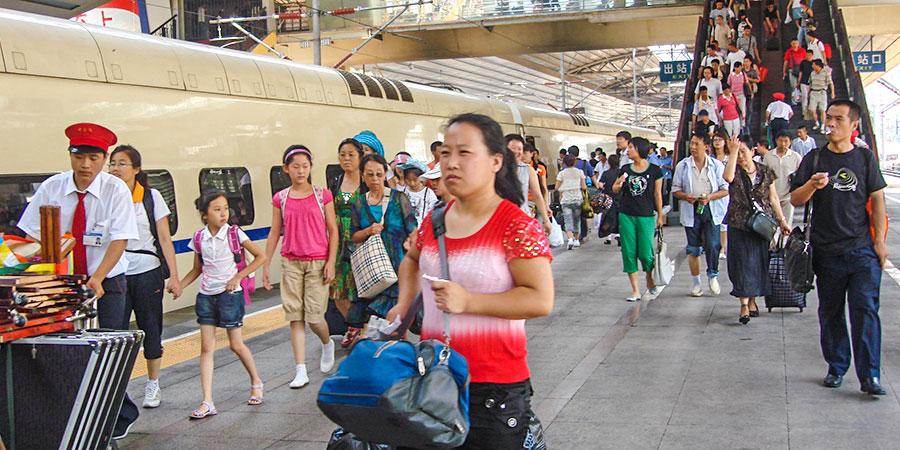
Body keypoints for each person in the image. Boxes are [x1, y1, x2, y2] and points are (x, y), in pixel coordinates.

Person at [387, 113, 553, 449]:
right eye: (445, 153)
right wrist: (403, 306)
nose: (451, 163)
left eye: (464, 153)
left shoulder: (516, 225)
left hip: (493, 390)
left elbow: (540, 300)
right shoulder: (435, 222)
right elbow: (411, 261)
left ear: (495, 161)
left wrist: (470, 301)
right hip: (434, 380)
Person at [18, 123, 139, 439]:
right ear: (70, 156)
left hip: (107, 280)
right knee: (65, 351)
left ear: (104, 159)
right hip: (63, 282)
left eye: (94, 158)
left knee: (110, 346)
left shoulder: (115, 190)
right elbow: (31, 234)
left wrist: (97, 279)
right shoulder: (52, 188)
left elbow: (120, 240)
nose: (86, 165)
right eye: (79, 156)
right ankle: (73, 412)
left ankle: (116, 416)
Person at [790, 99, 888, 395]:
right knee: (831, 312)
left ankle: (870, 375)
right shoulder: (815, 159)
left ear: (853, 126)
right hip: (826, 251)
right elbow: (795, 199)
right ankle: (836, 366)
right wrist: (812, 186)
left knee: (865, 310)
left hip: (861, 251)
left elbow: (878, 202)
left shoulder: (865, 159)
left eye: (838, 120)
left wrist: (880, 243)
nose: (830, 124)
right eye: (828, 118)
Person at [181, 190, 267, 418]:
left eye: (226, 209)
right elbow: (197, 269)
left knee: (236, 345)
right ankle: (207, 401)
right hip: (206, 296)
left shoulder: (234, 233)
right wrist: (180, 285)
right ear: (204, 214)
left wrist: (238, 278)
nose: (223, 214)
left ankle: (256, 381)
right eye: (217, 210)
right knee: (206, 347)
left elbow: (261, 256)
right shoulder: (198, 238)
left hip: (230, 296)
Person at [108, 145, 181, 409]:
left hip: (147, 271)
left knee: (151, 328)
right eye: (112, 163)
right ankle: (117, 388)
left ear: (136, 169)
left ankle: (153, 384)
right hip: (115, 272)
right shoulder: (105, 197)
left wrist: (174, 276)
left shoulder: (150, 197)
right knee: (114, 330)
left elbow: (164, 238)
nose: (115, 168)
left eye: (122, 163)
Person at [263, 146, 339, 389]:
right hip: (291, 262)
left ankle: (327, 343)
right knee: (295, 316)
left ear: (310, 167)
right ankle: (301, 369)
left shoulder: (322, 195)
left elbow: (333, 230)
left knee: (315, 317)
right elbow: (275, 232)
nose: (301, 171)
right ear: (286, 169)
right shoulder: (281, 198)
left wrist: (331, 262)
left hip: (318, 261)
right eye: (295, 166)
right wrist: (266, 264)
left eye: (305, 166)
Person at [722, 137, 792, 324]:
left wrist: (782, 220)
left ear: (753, 151)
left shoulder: (765, 172)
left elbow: (774, 198)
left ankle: (752, 300)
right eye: (738, 153)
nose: (741, 156)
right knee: (742, 264)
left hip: (761, 227)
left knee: (757, 264)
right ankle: (744, 304)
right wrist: (733, 153)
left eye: (744, 151)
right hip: (739, 224)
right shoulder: (734, 170)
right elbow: (727, 178)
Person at [349, 153, 417, 321]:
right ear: (362, 176)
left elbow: (413, 231)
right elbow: (354, 236)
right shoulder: (358, 203)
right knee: (374, 323)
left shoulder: (399, 198)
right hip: (374, 272)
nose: (375, 179)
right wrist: (368, 231)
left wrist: (414, 258)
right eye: (370, 174)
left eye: (379, 174)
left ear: (385, 175)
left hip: (399, 270)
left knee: (396, 324)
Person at [672, 134, 730, 297]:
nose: (693, 147)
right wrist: (686, 196)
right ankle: (696, 283)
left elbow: (725, 189)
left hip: (710, 209)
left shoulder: (716, 166)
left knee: (713, 244)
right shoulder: (683, 166)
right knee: (693, 248)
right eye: (691, 144)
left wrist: (710, 197)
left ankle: (713, 275)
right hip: (692, 208)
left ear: (706, 146)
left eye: (697, 144)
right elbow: (675, 189)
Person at [611, 137, 664, 302]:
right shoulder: (626, 169)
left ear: (640, 149)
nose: (628, 150)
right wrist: (620, 183)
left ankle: (649, 277)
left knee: (645, 252)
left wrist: (660, 215)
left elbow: (657, 194)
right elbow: (615, 187)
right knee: (629, 251)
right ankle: (635, 290)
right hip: (626, 214)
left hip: (646, 215)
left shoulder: (655, 170)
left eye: (631, 147)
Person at [326, 138, 364, 347]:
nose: (346, 158)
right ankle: (353, 323)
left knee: (363, 287)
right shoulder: (336, 181)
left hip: (362, 238)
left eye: (351, 154)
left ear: (359, 157)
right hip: (339, 241)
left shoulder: (367, 179)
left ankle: (364, 326)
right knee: (337, 287)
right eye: (342, 154)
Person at [506, 134, 552, 232]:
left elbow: (537, 195)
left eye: (520, 149)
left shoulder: (528, 170)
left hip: (522, 218)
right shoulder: (495, 168)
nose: (517, 152)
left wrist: (546, 220)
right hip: (501, 220)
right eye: (513, 148)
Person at [762, 131, 802, 229]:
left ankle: (784, 244)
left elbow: (801, 174)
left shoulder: (795, 157)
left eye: (786, 141)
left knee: (787, 223)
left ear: (790, 142)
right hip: (772, 195)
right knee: (773, 224)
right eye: (780, 141)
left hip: (788, 196)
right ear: (776, 141)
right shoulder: (769, 156)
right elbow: (764, 174)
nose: (783, 144)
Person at [557, 155, 587, 249]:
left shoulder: (562, 173)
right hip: (578, 199)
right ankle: (577, 240)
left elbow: (556, 187)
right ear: (575, 162)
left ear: (564, 163)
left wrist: (565, 187)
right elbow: (584, 187)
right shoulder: (580, 172)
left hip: (566, 199)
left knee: (568, 220)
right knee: (577, 220)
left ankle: (570, 239)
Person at [399, 157, 439, 226]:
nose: (412, 183)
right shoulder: (402, 192)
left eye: (415, 180)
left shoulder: (428, 193)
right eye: (409, 180)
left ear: (420, 178)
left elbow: (433, 210)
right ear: (405, 179)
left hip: (424, 227)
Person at [808, 59, 835, 132]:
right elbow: (810, 83)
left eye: (813, 64)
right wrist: (808, 93)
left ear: (817, 65)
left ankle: (823, 126)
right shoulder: (812, 73)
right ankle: (817, 123)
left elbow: (830, 83)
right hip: (814, 92)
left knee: (822, 110)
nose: (812, 66)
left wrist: (833, 92)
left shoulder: (826, 73)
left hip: (822, 92)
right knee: (812, 110)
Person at [727, 61, 753, 129]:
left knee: (742, 109)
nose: (738, 69)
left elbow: (747, 83)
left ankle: (742, 124)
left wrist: (751, 92)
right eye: (737, 67)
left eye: (740, 67)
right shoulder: (731, 75)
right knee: (734, 109)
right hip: (733, 95)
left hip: (742, 94)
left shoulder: (743, 75)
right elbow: (729, 85)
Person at [798, 49, 814, 117]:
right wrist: (799, 81)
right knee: (804, 96)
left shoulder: (814, 63)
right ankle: (804, 112)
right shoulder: (803, 62)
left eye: (810, 55)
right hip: (803, 81)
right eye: (807, 55)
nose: (808, 56)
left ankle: (810, 111)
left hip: (812, 82)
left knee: (811, 97)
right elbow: (800, 72)